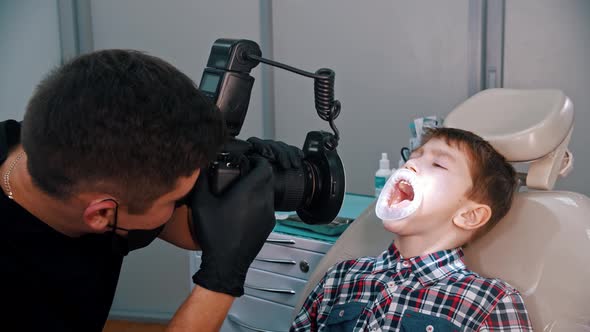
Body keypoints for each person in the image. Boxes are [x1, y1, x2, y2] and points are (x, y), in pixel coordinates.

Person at [1, 49, 302, 331]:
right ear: (103, 214)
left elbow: (194, 228)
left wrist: (240, 172)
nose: (187, 201)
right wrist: (221, 278)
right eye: (176, 199)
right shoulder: (21, 293)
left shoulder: (67, 137)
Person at [291, 127, 533, 331]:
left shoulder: (489, 302)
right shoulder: (341, 277)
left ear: (469, 215)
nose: (411, 165)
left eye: (438, 164)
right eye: (414, 156)